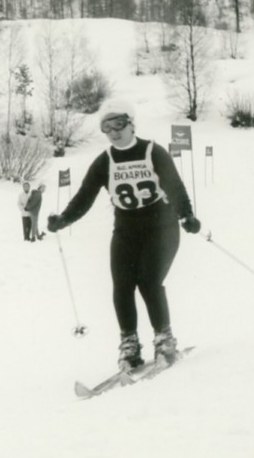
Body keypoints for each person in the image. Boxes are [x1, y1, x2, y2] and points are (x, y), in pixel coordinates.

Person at [47, 102, 201, 374]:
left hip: (161, 226)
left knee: (149, 281)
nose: (114, 132)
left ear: (131, 124)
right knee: (122, 285)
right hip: (126, 229)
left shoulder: (153, 152)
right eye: (107, 127)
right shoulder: (105, 160)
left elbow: (174, 187)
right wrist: (63, 220)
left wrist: (186, 215)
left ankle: (164, 338)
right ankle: (129, 344)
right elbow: (85, 197)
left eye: (119, 124)